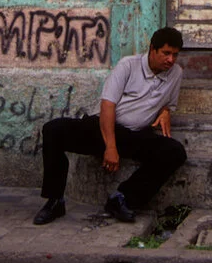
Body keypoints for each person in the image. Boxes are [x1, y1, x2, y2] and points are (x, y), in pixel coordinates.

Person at [33, 27, 187, 225]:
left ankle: (122, 199)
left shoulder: (176, 73)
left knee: (175, 152)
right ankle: (55, 201)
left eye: (175, 55)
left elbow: (168, 102)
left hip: (135, 135)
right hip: (102, 129)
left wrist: (165, 111)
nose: (171, 60)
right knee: (53, 130)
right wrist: (110, 147)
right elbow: (108, 105)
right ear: (152, 49)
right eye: (166, 53)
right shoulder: (128, 65)